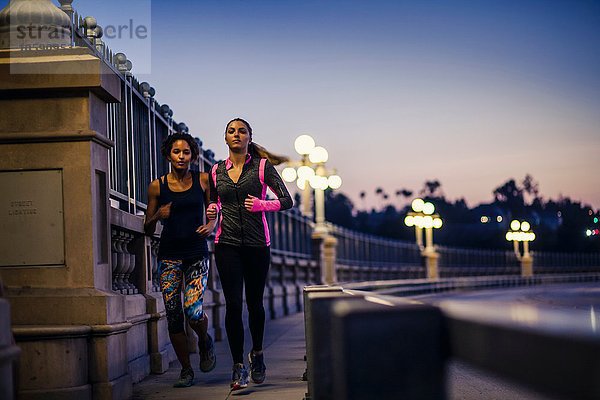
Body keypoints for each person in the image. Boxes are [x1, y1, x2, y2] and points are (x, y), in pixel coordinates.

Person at [207, 118, 292, 390]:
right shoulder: (216, 170)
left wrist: (261, 205)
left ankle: (257, 354)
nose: (236, 135)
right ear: (225, 138)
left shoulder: (262, 167)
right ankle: (238, 367)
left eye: (241, 131)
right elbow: (215, 201)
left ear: (249, 137)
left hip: (257, 245)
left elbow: (286, 200)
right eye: (231, 131)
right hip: (226, 244)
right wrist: (212, 211)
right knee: (233, 305)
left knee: (254, 304)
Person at [144, 132, 217, 388]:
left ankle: (205, 340)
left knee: (193, 311)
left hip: (197, 253)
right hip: (169, 256)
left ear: (193, 156)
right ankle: (186, 370)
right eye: (177, 152)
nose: (182, 156)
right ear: (168, 155)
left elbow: (214, 211)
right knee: (174, 315)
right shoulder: (157, 186)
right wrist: (157, 215)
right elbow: (147, 228)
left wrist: (210, 224)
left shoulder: (204, 181)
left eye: (186, 152)